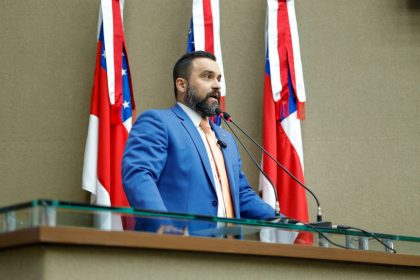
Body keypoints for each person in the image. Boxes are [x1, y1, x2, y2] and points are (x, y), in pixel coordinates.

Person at [122, 51, 276, 232]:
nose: (217, 85)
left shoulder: (226, 138)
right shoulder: (159, 122)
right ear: (181, 84)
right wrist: (163, 227)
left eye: (218, 78)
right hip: (177, 247)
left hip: (230, 250)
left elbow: (241, 194)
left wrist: (280, 220)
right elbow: (140, 175)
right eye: (207, 76)